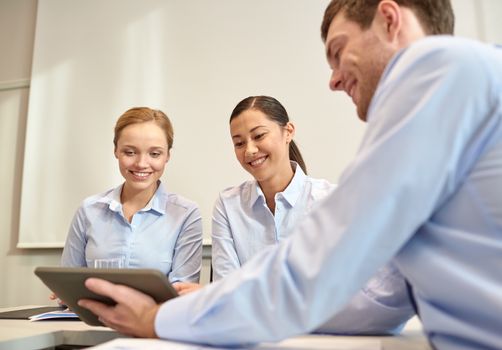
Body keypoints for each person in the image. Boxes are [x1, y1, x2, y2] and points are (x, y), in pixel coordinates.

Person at [78, 1, 502, 349]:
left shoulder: (440, 70)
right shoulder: (463, 95)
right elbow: (379, 299)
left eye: (338, 51)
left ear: (389, 19)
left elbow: (311, 275)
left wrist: (158, 318)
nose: (334, 79)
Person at [175, 95, 414, 334]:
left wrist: (237, 298)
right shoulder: (228, 205)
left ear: (288, 131)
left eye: (259, 136)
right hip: (251, 336)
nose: (249, 150)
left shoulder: (330, 199)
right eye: (239, 143)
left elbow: (328, 293)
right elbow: (225, 286)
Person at [60, 107, 203, 283]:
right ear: (116, 151)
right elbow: (68, 282)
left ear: (167, 156)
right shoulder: (88, 210)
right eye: (130, 152)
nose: (141, 163)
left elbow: (183, 291)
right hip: (92, 310)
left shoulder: (185, 214)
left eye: (155, 154)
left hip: (157, 312)